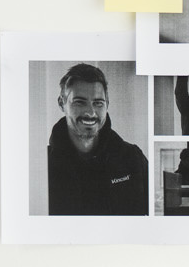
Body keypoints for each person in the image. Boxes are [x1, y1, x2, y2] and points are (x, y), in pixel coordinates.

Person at [46, 63, 148, 215]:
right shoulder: (44, 164)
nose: (90, 112)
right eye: (79, 102)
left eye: (98, 103)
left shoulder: (133, 158)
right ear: (62, 104)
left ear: (107, 104)